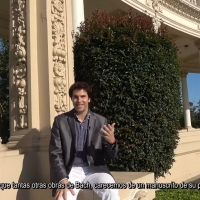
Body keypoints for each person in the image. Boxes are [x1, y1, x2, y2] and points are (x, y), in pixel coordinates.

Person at [49, 82, 120, 200]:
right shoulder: (60, 121)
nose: (79, 100)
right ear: (71, 99)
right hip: (70, 171)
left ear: (89, 99)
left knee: (111, 191)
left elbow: (112, 157)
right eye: (75, 97)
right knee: (62, 198)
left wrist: (111, 142)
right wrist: (63, 178)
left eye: (83, 97)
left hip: (95, 169)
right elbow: (55, 153)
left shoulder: (101, 121)